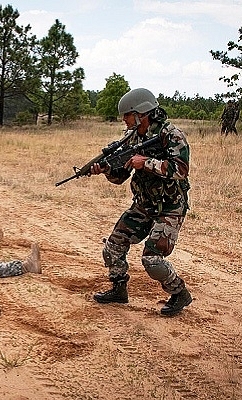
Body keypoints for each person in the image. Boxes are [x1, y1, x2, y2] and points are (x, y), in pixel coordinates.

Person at [89, 88, 192, 316]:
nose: (124, 120)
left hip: (170, 207)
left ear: (141, 113)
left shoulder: (172, 135)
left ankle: (179, 293)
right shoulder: (133, 137)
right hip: (144, 205)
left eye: (127, 115)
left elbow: (180, 170)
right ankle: (118, 289)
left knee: (152, 260)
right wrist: (105, 170)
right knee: (113, 246)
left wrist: (145, 163)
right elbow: (120, 176)